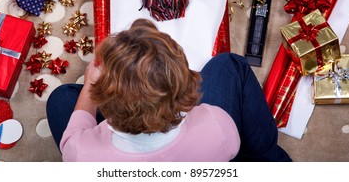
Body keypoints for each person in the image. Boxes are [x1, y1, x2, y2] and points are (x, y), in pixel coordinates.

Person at [46, 18, 291, 162]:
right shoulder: (216, 126)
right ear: (186, 92)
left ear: (106, 109)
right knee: (228, 64)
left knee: (60, 100)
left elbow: (72, 138)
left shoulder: (80, 153)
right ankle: (269, 159)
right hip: (206, 152)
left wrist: (90, 83)